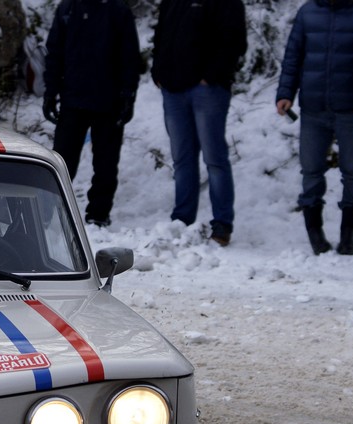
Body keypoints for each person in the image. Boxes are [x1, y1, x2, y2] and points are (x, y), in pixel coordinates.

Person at [277, 0, 353, 256]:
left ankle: (347, 235)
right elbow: (293, 55)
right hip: (313, 108)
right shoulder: (308, 12)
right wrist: (285, 92)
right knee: (311, 171)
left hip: (352, 110)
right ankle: (315, 233)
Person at [151, 0, 247, 246]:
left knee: (214, 158)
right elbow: (161, 33)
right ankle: (181, 220)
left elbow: (234, 39)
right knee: (182, 158)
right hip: (172, 89)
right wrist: (158, 71)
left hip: (207, 90)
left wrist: (211, 76)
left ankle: (222, 224)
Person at [42, 0, 141, 228]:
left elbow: (130, 55)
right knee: (62, 160)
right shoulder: (68, 8)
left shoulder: (119, 11)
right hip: (73, 99)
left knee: (106, 162)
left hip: (110, 101)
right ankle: (48, 209)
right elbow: (54, 50)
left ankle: (99, 214)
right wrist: (51, 90)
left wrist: (128, 95)